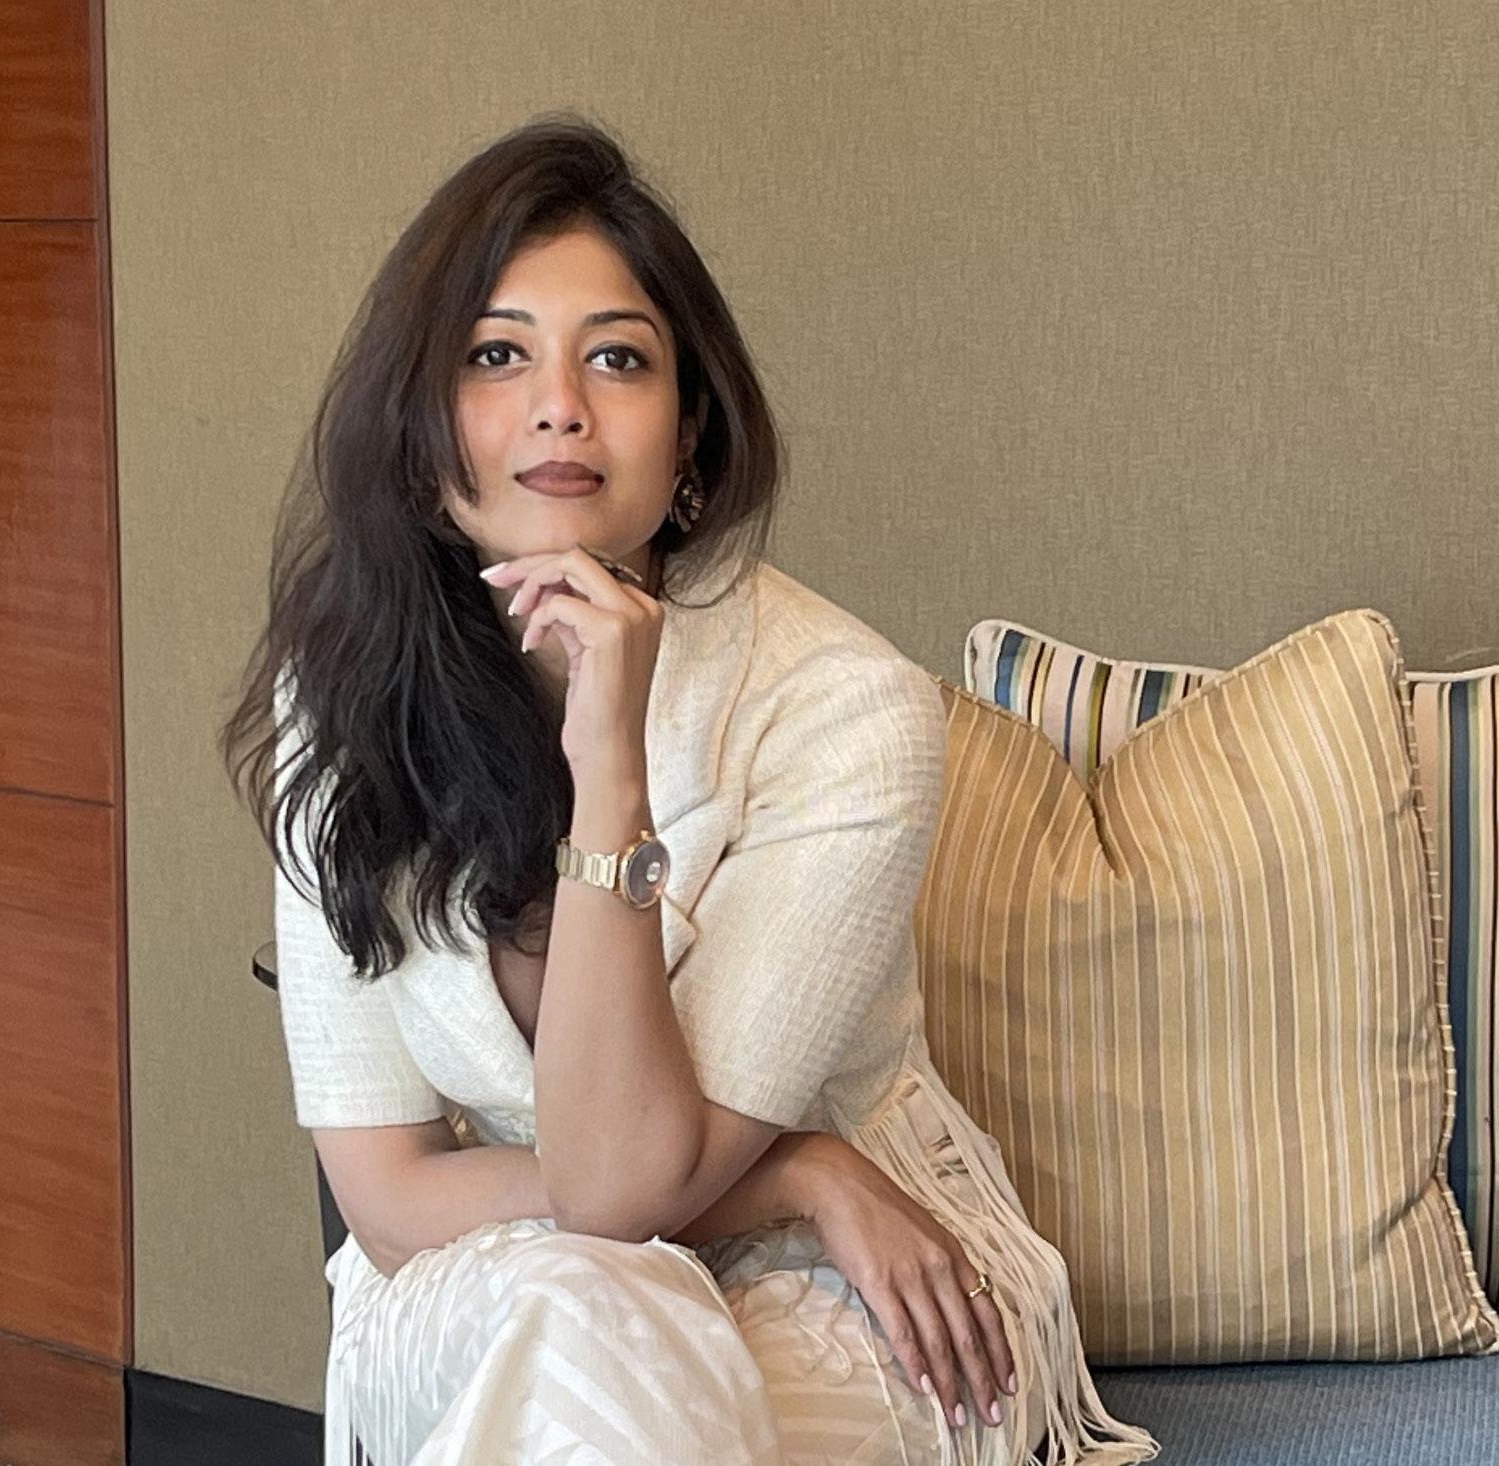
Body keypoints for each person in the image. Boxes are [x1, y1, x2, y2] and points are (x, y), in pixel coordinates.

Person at [222, 113, 1160, 1466]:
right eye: (496, 354)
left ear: (690, 443)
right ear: (422, 440)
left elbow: (621, 1181)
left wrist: (611, 768)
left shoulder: (846, 711)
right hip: (486, 1265)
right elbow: (390, 1194)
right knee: (578, 1322)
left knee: (602, 1396)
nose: (560, 404)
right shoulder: (337, 702)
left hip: (847, 1279)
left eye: (617, 357)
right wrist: (798, 1170)